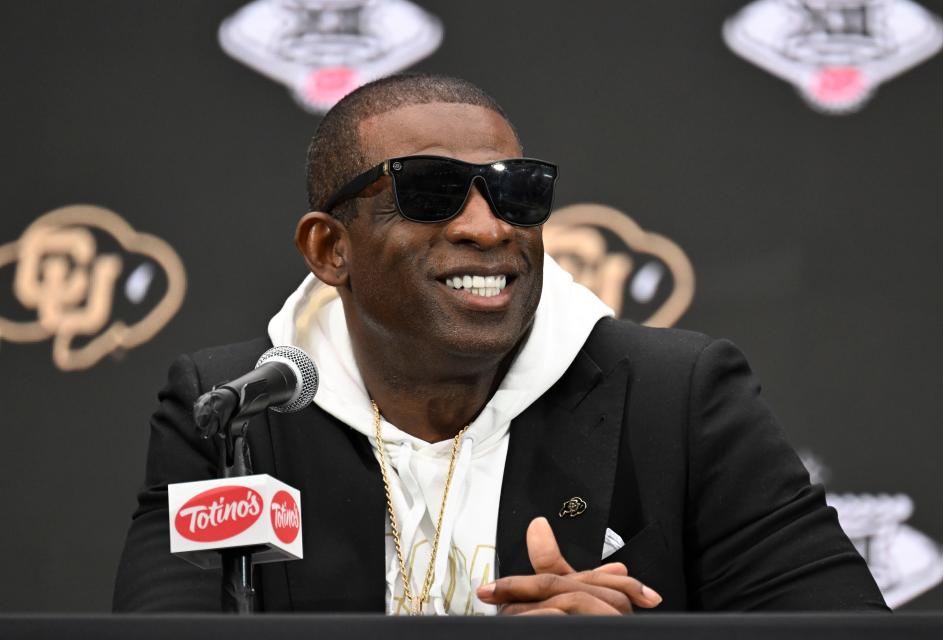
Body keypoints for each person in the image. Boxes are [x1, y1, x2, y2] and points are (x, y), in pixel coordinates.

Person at [113, 73, 887, 614]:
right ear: (328, 249)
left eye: (517, 192)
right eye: (429, 190)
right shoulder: (234, 410)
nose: (488, 227)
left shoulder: (679, 395)